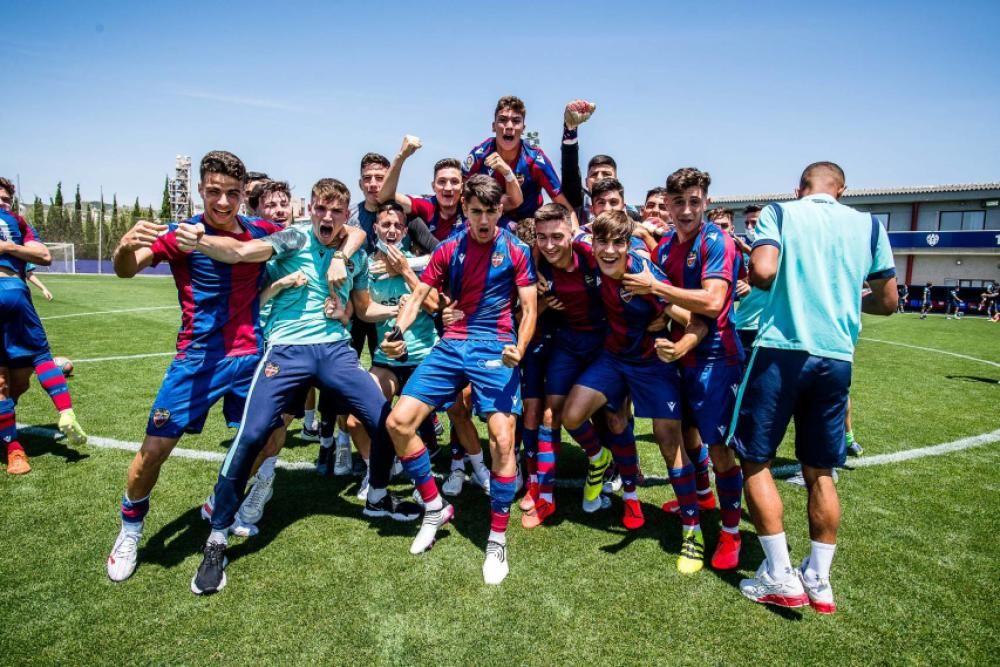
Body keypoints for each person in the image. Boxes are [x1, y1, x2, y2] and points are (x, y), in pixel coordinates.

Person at [181, 177, 414, 595]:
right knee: (252, 434)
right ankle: (217, 537)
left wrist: (388, 307)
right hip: (286, 350)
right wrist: (200, 241)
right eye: (320, 209)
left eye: (335, 211)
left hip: (335, 349)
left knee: (386, 422)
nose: (327, 217)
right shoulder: (291, 238)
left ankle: (378, 496)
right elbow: (243, 252)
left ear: (346, 216)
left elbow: (361, 309)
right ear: (312, 210)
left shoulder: (355, 250)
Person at [105, 151, 286, 583]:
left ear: (245, 195)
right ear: (202, 190)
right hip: (197, 359)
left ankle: (221, 499)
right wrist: (124, 247)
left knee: (273, 436)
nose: (223, 202)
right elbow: (127, 271)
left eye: (232, 193)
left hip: (249, 357)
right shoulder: (180, 234)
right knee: (152, 455)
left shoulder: (263, 230)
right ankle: (130, 529)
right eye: (214, 192)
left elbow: (319, 238)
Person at [731, 161, 897, 614]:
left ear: (799, 189)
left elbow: (763, 272)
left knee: (755, 460)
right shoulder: (869, 225)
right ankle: (819, 580)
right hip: (837, 356)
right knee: (820, 471)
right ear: (841, 191)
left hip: (781, 350)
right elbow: (889, 301)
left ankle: (780, 574)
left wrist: (761, 263)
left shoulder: (780, 213)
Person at [382, 175, 537, 585]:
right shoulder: (450, 248)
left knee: (503, 439)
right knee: (398, 423)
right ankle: (434, 507)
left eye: (490, 212)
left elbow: (530, 308)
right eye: (475, 212)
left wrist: (518, 348)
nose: (483, 220)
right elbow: (418, 295)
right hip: (452, 344)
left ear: (500, 211)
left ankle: (497, 538)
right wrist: (397, 333)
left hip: (497, 345)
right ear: (465, 210)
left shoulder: (517, 250)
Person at [561, 211, 706, 566]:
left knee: (668, 441)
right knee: (573, 415)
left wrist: (679, 346)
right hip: (612, 358)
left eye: (617, 244)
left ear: (628, 246)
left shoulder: (643, 276)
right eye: (602, 242)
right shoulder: (587, 250)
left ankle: (692, 529)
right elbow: (565, 232)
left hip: (651, 362)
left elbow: (694, 319)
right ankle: (603, 462)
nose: (608, 251)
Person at [624, 167, 746, 571]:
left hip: (716, 359)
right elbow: (664, 308)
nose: (687, 209)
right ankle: (702, 495)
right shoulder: (663, 250)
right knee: (687, 437)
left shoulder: (717, 240)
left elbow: (711, 304)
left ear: (706, 201)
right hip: (678, 357)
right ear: (668, 206)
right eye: (679, 202)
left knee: (720, 448)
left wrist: (656, 289)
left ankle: (730, 533)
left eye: (695, 201)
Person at [344, 201, 442, 500]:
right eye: (385, 225)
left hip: (424, 358)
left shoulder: (421, 263)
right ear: (375, 229)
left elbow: (434, 305)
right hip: (387, 360)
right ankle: (377, 469)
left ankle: (439, 468)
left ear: (405, 230)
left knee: (408, 419)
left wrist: (405, 272)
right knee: (353, 420)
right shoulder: (367, 266)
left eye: (398, 226)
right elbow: (362, 312)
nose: (391, 230)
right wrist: (390, 311)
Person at [0, 178, 87, 477]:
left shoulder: (19, 223)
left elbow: (44, 255)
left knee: (20, 382)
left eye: (6, 199)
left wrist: (8, 246)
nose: (2, 203)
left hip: (16, 294)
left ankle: (64, 413)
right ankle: (14, 449)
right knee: (2, 384)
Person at [463, 95, 575, 225]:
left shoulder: (535, 159)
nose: (509, 126)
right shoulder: (480, 154)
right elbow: (460, 189)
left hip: (527, 228)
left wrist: (576, 235)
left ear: (523, 129)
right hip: (487, 221)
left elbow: (565, 207)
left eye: (516, 121)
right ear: (493, 127)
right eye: (503, 120)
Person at [558, 99, 642, 226]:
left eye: (606, 174)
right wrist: (570, 131)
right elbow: (570, 171)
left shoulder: (632, 214)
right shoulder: (578, 201)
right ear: (586, 182)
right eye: (594, 174)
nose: (600, 178)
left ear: (616, 180)